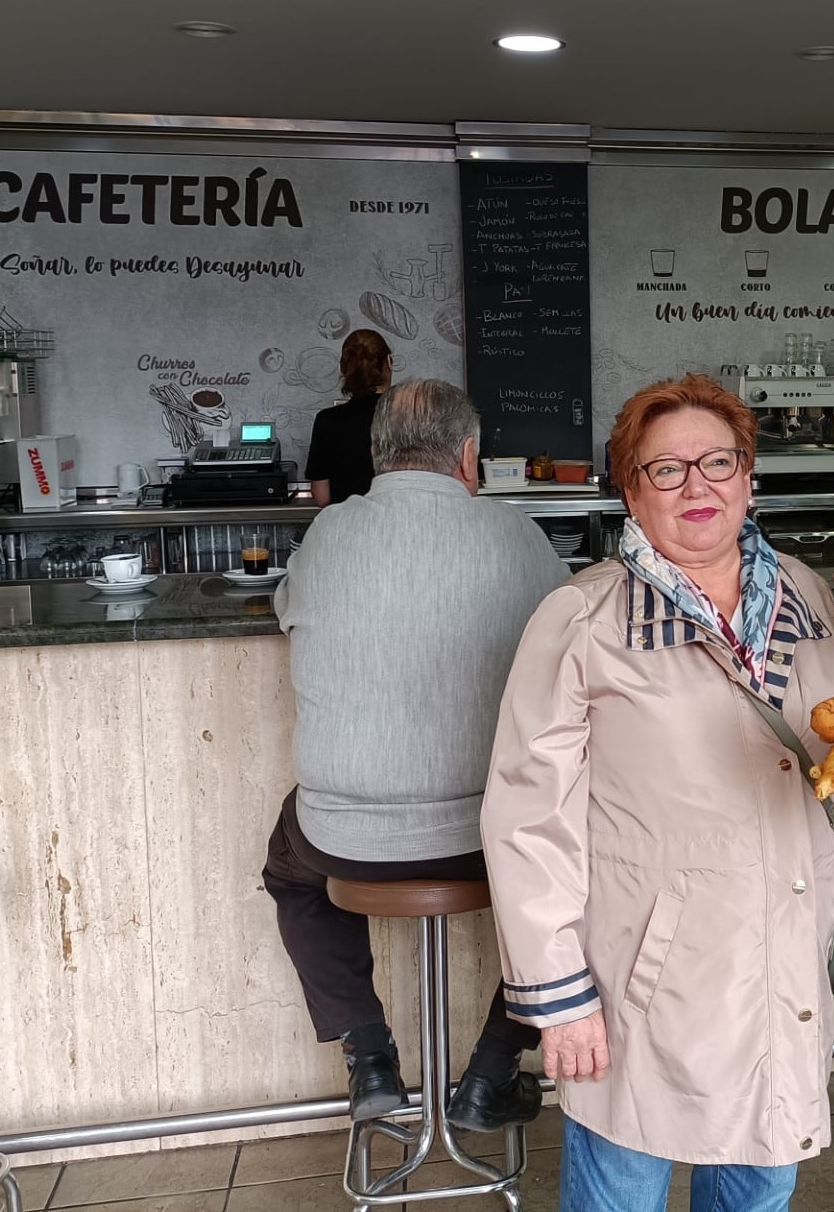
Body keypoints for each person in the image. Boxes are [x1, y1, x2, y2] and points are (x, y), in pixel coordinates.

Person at [481, 374, 834, 1212]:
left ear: (749, 478)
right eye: (667, 470)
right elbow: (527, 813)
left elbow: (831, 751)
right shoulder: (583, 620)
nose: (698, 487)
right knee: (623, 1191)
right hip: (644, 982)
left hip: (781, 958)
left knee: (756, 1190)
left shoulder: (808, 597)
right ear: (630, 491)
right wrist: (560, 999)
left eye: (718, 463)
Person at [263, 378, 567, 1128]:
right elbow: (574, 631)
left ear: (376, 456)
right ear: (468, 456)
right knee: (584, 879)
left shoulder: (329, 533)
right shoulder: (518, 535)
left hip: (344, 841)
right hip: (489, 841)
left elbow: (284, 612)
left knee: (290, 873)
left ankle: (368, 1051)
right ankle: (494, 1067)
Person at [305, 328, 392, 506]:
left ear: (344, 368)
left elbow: (322, 497)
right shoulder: (411, 416)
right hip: (402, 526)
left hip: (347, 528)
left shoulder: (327, 421)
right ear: (389, 362)